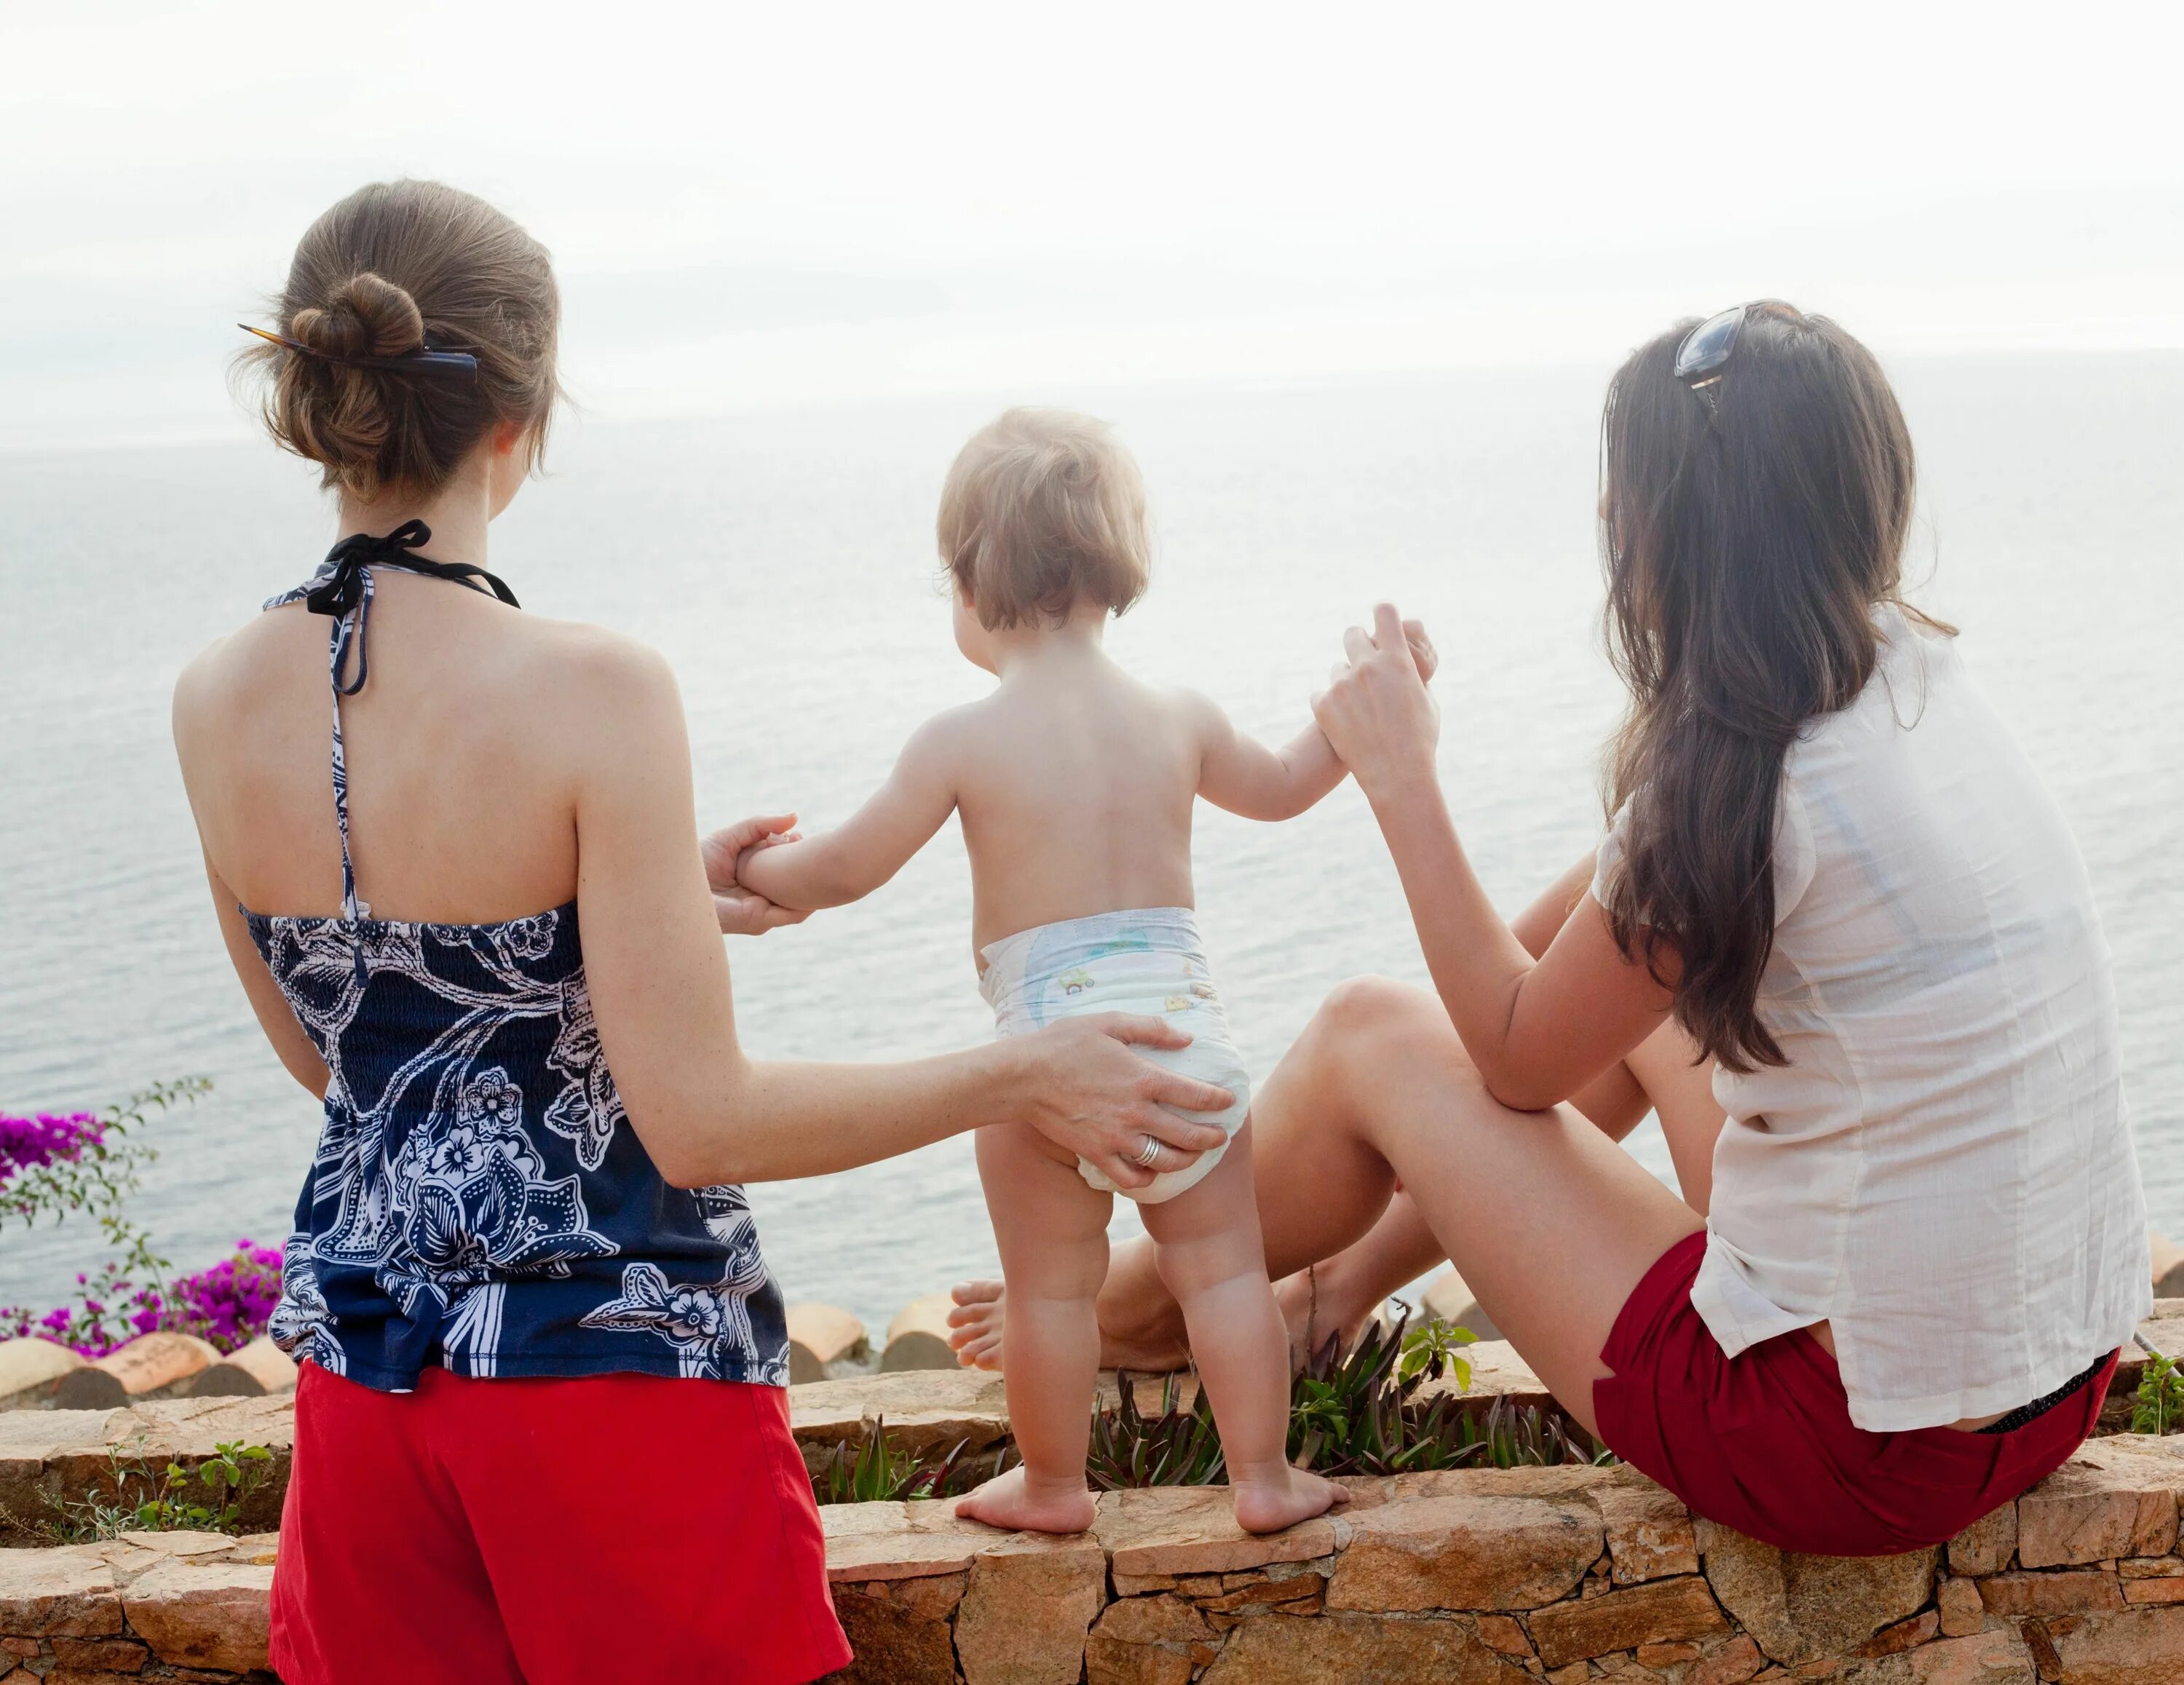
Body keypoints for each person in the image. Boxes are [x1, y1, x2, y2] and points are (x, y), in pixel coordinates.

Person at [172, 183, 1236, 1685]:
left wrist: (655, 888)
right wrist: (1023, 1075)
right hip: (613, 1393)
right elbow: (698, 1119)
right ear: (522, 417)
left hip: (365, 1399)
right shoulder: (597, 690)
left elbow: (348, 1061)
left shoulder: (212, 699)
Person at [949, 304, 2151, 1557]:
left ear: (1675, 532)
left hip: (1845, 1445)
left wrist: (1400, 777)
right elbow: (1591, 967)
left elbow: (1522, 1057)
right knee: (1591, 944)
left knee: (1375, 1034)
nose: (1601, 524)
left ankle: (1144, 1305)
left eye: (1620, 495)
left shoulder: (1733, 788)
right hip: (2040, 1386)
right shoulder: (1899, 681)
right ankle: (1332, 1289)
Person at [733, 407, 1364, 1535]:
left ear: (970, 583)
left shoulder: (962, 738)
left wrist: (749, 867)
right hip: (1188, 1050)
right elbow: (1284, 785)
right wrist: (1356, 712)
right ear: (1118, 569)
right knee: (1221, 1273)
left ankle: (1056, 1486)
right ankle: (1263, 1479)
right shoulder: (1179, 715)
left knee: (1051, 1289)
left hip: (1045, 1057)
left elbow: (846, 870)